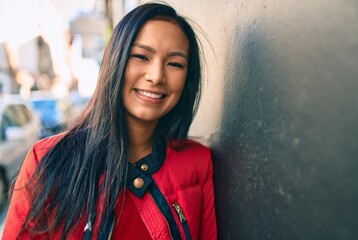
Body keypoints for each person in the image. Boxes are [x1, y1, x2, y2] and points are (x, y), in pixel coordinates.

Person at [2, 2, 217, 240]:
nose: (156, 76)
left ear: (188, 78)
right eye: (141, 56)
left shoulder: (197, 163)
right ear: (115, 61)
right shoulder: (46, 161)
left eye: (175, 64)